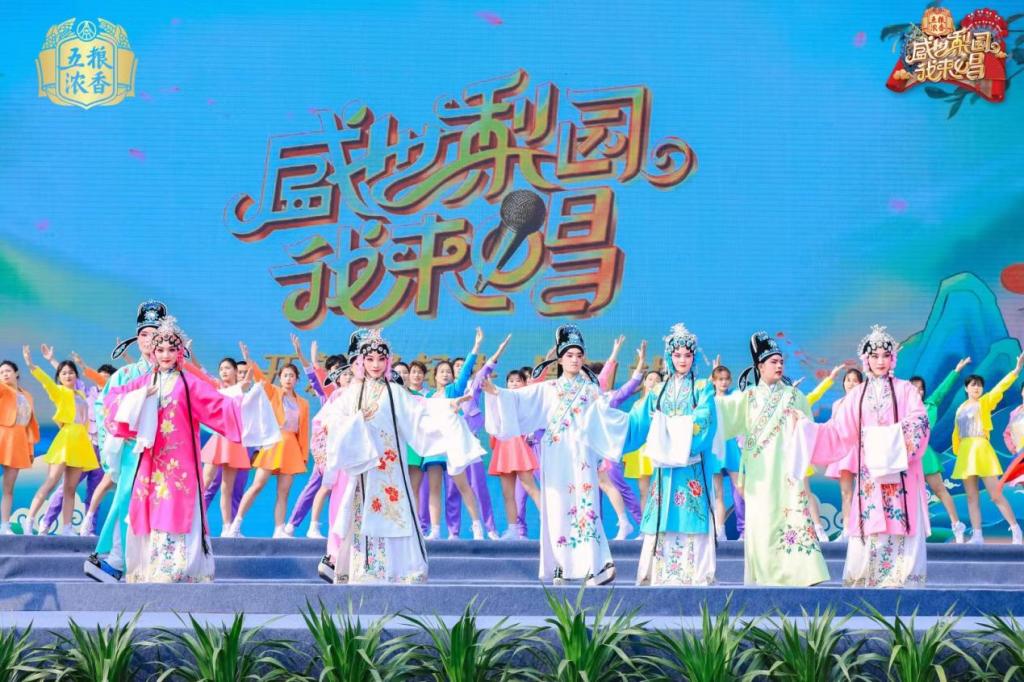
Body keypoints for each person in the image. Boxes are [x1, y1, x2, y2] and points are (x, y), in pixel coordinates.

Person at [103, 317, 279, 582]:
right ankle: (149, 568)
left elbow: (218, 405)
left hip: (179, 462)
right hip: (151, 460)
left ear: (179, 352)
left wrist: (247, 402)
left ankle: (178, 568)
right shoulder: (145, 382)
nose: (165, 355)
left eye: (171, 349)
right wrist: (139, 398)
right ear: (153, 352)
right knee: (149, 508)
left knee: (175, 507)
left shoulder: (188, 383)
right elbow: (112, 399)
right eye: (160, 349)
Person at [319, 328, 482, 584]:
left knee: (396, 514)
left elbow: (420, 412)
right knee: (363, 513)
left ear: (388, 361)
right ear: (361, 361)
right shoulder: (352, 392)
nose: (375, 364)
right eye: (370, 359)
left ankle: (404, 569)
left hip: (391, 466)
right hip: (364, 466)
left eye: (380, 359)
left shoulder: (395, 392)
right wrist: (354, 423)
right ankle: (364, 569)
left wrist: (447, 406)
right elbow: (330, 421)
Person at [482, 324, 630, 585]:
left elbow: (604, 417)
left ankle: (592, 565)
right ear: (560, 360)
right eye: (569, 355)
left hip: (582, 454)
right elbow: (519, 399)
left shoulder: (591, 390)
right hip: (556, 453)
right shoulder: (548, 388)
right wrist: (496, 392)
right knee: (557, 505)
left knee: (585, 505)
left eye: (579, 356)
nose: (574, 360)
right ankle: (560, 566)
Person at [792, 325, 932, 587]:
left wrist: (889, 438)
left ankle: (903, 577)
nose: (880, 361)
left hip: (901, 471)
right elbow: (837, 431)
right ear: (866, 359)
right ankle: (870, 577)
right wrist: (806, 427)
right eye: (874, 356)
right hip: (870, 473)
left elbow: (920, 421)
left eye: (885, 355)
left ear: (893, 359)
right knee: (872, 518)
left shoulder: (906, 390)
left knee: (900, 517)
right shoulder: (856, 396)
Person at [714, 332, 827, 586]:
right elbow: (723, 413)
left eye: (781, 362)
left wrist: (801, 423)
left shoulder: (794, 396)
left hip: (787, 470)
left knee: (793, 516)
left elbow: (810, 430)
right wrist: (705, 405)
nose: (779, 366)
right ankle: (765, 577)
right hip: (759, 472)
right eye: (773, 362)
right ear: (760, 366)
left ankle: (801, 574)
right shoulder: (748, 397)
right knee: (763, 522)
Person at [625, 324, 717, 585]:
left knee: (692, 513)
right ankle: (659, 574)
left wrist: (671, 430)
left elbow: (705, 419)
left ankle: (696, 575)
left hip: (691, 465)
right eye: (677, 355)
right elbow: (639, 420)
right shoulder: (658, 391)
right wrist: (612, 424)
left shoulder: (702, 388)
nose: (682, 360)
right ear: (669, 357)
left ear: (693, 357)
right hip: (665, 469)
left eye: (687, 355)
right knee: (662, 512)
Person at [85, 300, 169, 582]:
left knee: (164, 506)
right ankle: (118, 561)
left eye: (155, 334)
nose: (149, 340)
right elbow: (103, 408)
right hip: (132, 453)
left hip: (166, 454)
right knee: (127, 504)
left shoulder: (173, 375)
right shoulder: (125, 375)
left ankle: (158, 565)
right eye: (144, 334)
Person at [230, 342, 310, 538]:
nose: (288, 379)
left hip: (291, 447)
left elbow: (304, 431)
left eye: (292, 376)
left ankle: (279, 529)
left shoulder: (303, 403)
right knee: (257, 485)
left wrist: (303, 455)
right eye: (285, 375)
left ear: (297, 379)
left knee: (283, 492)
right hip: (273, 442)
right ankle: (236, 524)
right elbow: (259, 377)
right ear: (280, 378)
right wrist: (248, 359)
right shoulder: (274, 392)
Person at [22, 347, 100, 535]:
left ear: (76, 376)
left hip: (81, 442)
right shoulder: (59, 391)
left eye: (71, 372)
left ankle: (67, 527)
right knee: (50, 482)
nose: (67, 375)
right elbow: (46, 382)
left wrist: (53, 360)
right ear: (59, 377)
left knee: (70, 488)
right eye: (63, 373)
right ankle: (30, 520)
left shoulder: (81, 394)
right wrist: (31, 365)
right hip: (66, 440)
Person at [950, 353, 1024, 544]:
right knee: (971, 497)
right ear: (966, 388)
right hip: (966, 453)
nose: (977, 388)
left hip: (981, 449)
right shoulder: (960, 408)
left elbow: (1000, 387)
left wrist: (1016, 371)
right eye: (973, 385)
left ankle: (1015, 530)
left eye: (979, 385)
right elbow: (957, 433)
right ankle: (977, 535)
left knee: (995, 494)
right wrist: (959, 453)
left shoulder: (985, 402)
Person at [908, 357, 970, 543]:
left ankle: (957, 526)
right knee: (909, 495)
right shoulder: (900, 410)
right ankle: (912, 532)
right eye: (913, 387)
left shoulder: (930, 405)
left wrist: (956, 371)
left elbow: (943, 389)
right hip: (906, 457)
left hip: (924, 455)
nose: (918, 391)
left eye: (921, 388)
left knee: (940, 490)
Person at [0, 360, 39, 534]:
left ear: (16, 373)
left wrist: (30, 450)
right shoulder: (2, 389)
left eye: (7, 371)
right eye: (1, 372)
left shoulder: (27, 395)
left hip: (18, 441)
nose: (4, 374)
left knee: (9, 488)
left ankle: (4, 525)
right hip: (2, 435)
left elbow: (30, 425)